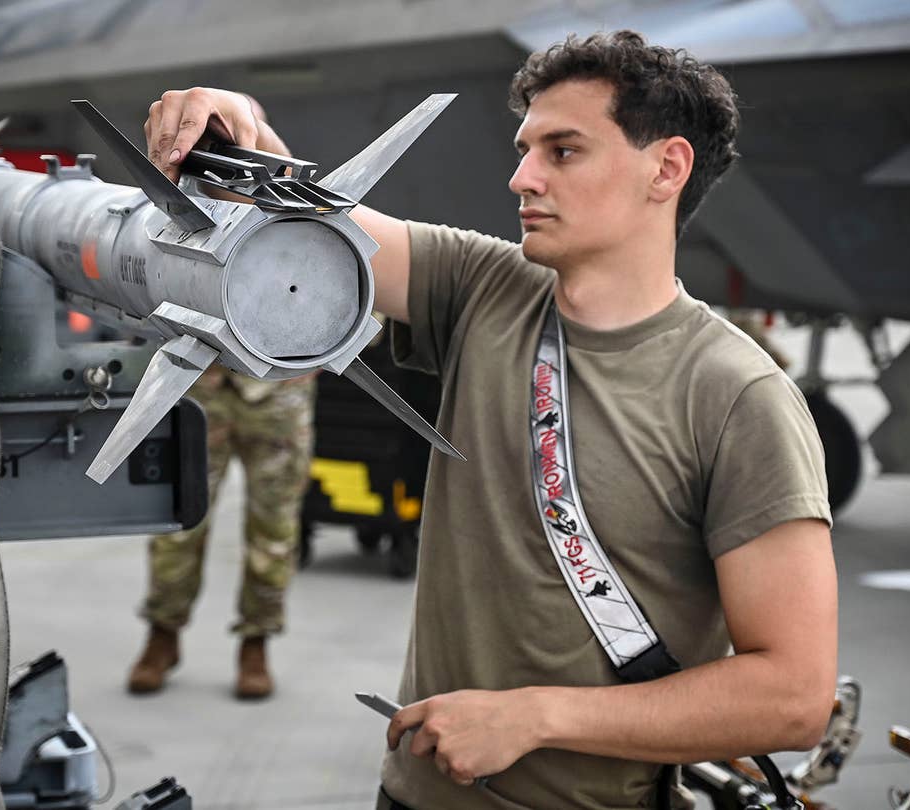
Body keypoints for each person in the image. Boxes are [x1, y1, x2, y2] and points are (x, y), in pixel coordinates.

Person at [145, 30, 837, 810]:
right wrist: (238, 119)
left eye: (563, 151)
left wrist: (536, 718)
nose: (521, 177)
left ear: (666, 169)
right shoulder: (483, 288)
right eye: (525, 148)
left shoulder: (738, 396)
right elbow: (303, 222)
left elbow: (793, 696)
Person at [126, 364, 316, 700]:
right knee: (177, 523)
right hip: (198, 380)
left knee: (273, 529)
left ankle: (256, 642)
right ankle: (163, 632)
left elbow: (361, 315)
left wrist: (322, 353)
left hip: (278, 390)